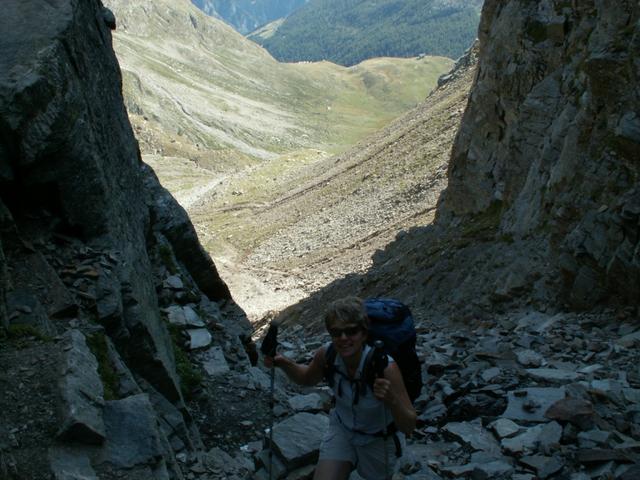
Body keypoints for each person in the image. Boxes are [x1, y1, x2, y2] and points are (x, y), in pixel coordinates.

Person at [264, 296, 416, 480]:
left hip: (378, 439)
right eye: (336, 333)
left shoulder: (385, 367)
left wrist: (392, 400)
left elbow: (408, 425)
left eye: (351, 331)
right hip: (342, 430)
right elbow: (307, 378)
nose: (343, 338)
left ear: (364, 333)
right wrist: (284, 363)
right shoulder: (327, 354)